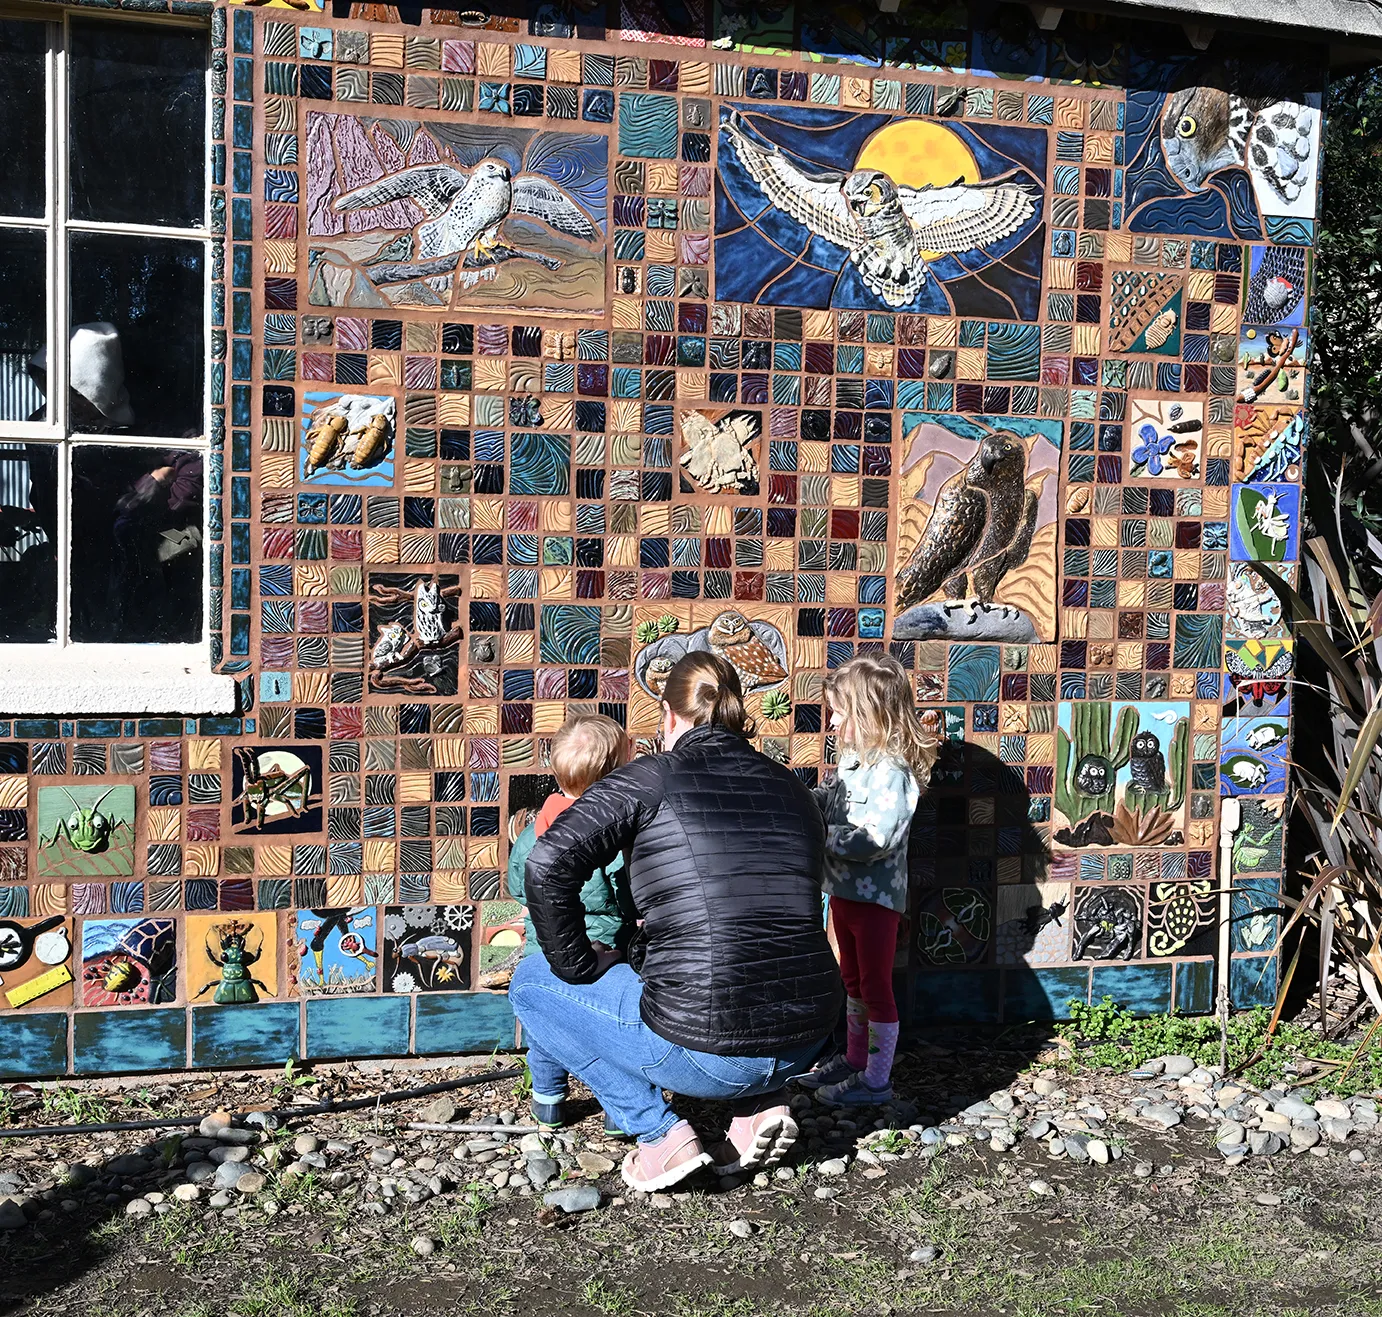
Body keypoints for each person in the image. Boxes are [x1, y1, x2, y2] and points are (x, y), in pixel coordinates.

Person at [509, 652, 842, 1192]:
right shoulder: (791, 788)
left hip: (708, 1051)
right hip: (808, 1039)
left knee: (531, 984)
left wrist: (577, 961)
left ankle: (658, 1135)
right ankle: (758, 1104)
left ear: (667, 715)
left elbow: (547, 864)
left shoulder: (652, 777)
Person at [797, 653, 938, 1106]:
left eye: (840, 712)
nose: (833, 721)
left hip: (876, 902)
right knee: (852, 980)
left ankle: (876, 1080)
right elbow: (835, 805)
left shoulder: (893, 773)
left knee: (875, 987)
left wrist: (820, 834)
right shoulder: (856, 761)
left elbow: (876, 838)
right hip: (842, 893)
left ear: (870, 714)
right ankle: (856, 1060)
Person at [506, 713, 637, 1133]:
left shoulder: (537, 829)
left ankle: (548, 1102)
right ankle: (620, 1113)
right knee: (617, 1034)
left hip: (543, 952)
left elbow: (516, 883)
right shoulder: (616, 834)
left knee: (547, 1030)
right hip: (608, 953)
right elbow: (630, 895)